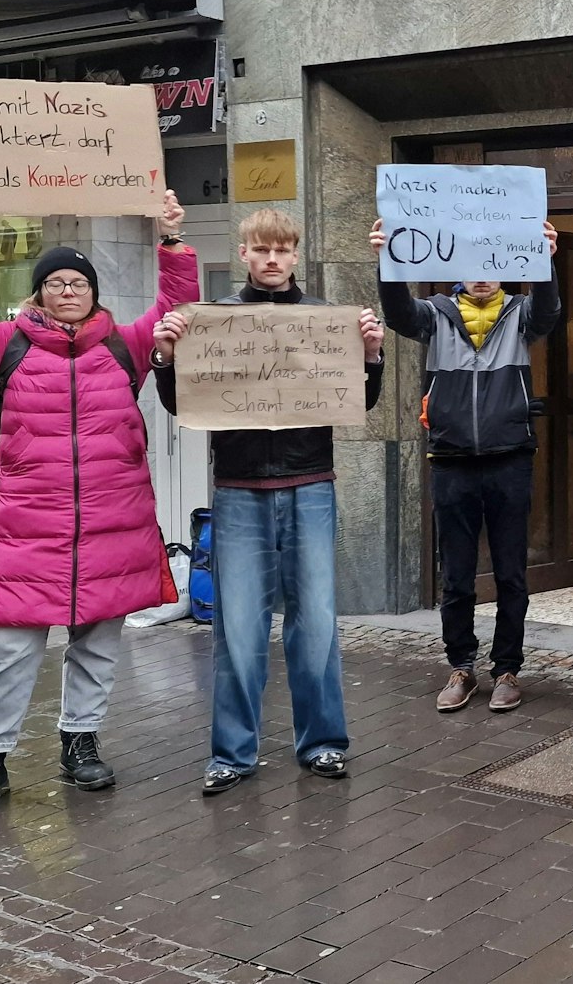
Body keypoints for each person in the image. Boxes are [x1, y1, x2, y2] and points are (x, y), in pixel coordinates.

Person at [0, 180, 198, 823]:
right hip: (26, 533)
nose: (68, 291)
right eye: (56, 282)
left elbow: (182, 309)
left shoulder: (125, 348)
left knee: (97, 644)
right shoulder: (2, 347)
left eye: (80, 283)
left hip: (111, 526)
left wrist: (173, 239)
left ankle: (80, 743)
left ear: (93, 293)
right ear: (38, 292)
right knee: (6, 651)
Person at [151, 209, 387, 795]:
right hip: (237, 492)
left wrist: (372, 355)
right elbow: (184, 405)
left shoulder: (323, 320)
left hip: (310, 485)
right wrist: (165, 360)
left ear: (295, 254)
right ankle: (232, 753)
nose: (273, 260)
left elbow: (360, 400)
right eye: (262, 250)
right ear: (244, 254)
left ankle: (324, 743)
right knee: (237, 628)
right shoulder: (215, 321)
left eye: (282, 250)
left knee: (317, 624)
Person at [370, 218, 561, 714]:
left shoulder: (521, 314)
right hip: (451, 460)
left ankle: (507, 670)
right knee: (454, 575)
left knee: (511, 573)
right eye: (472, 266)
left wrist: (545, 261)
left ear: (507, 269)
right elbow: (395, 314)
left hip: (510, 459)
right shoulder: (435, 314)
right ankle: (461, 666)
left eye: (492, 265)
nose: (481, 276)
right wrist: (388, 262)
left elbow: (549, 311)